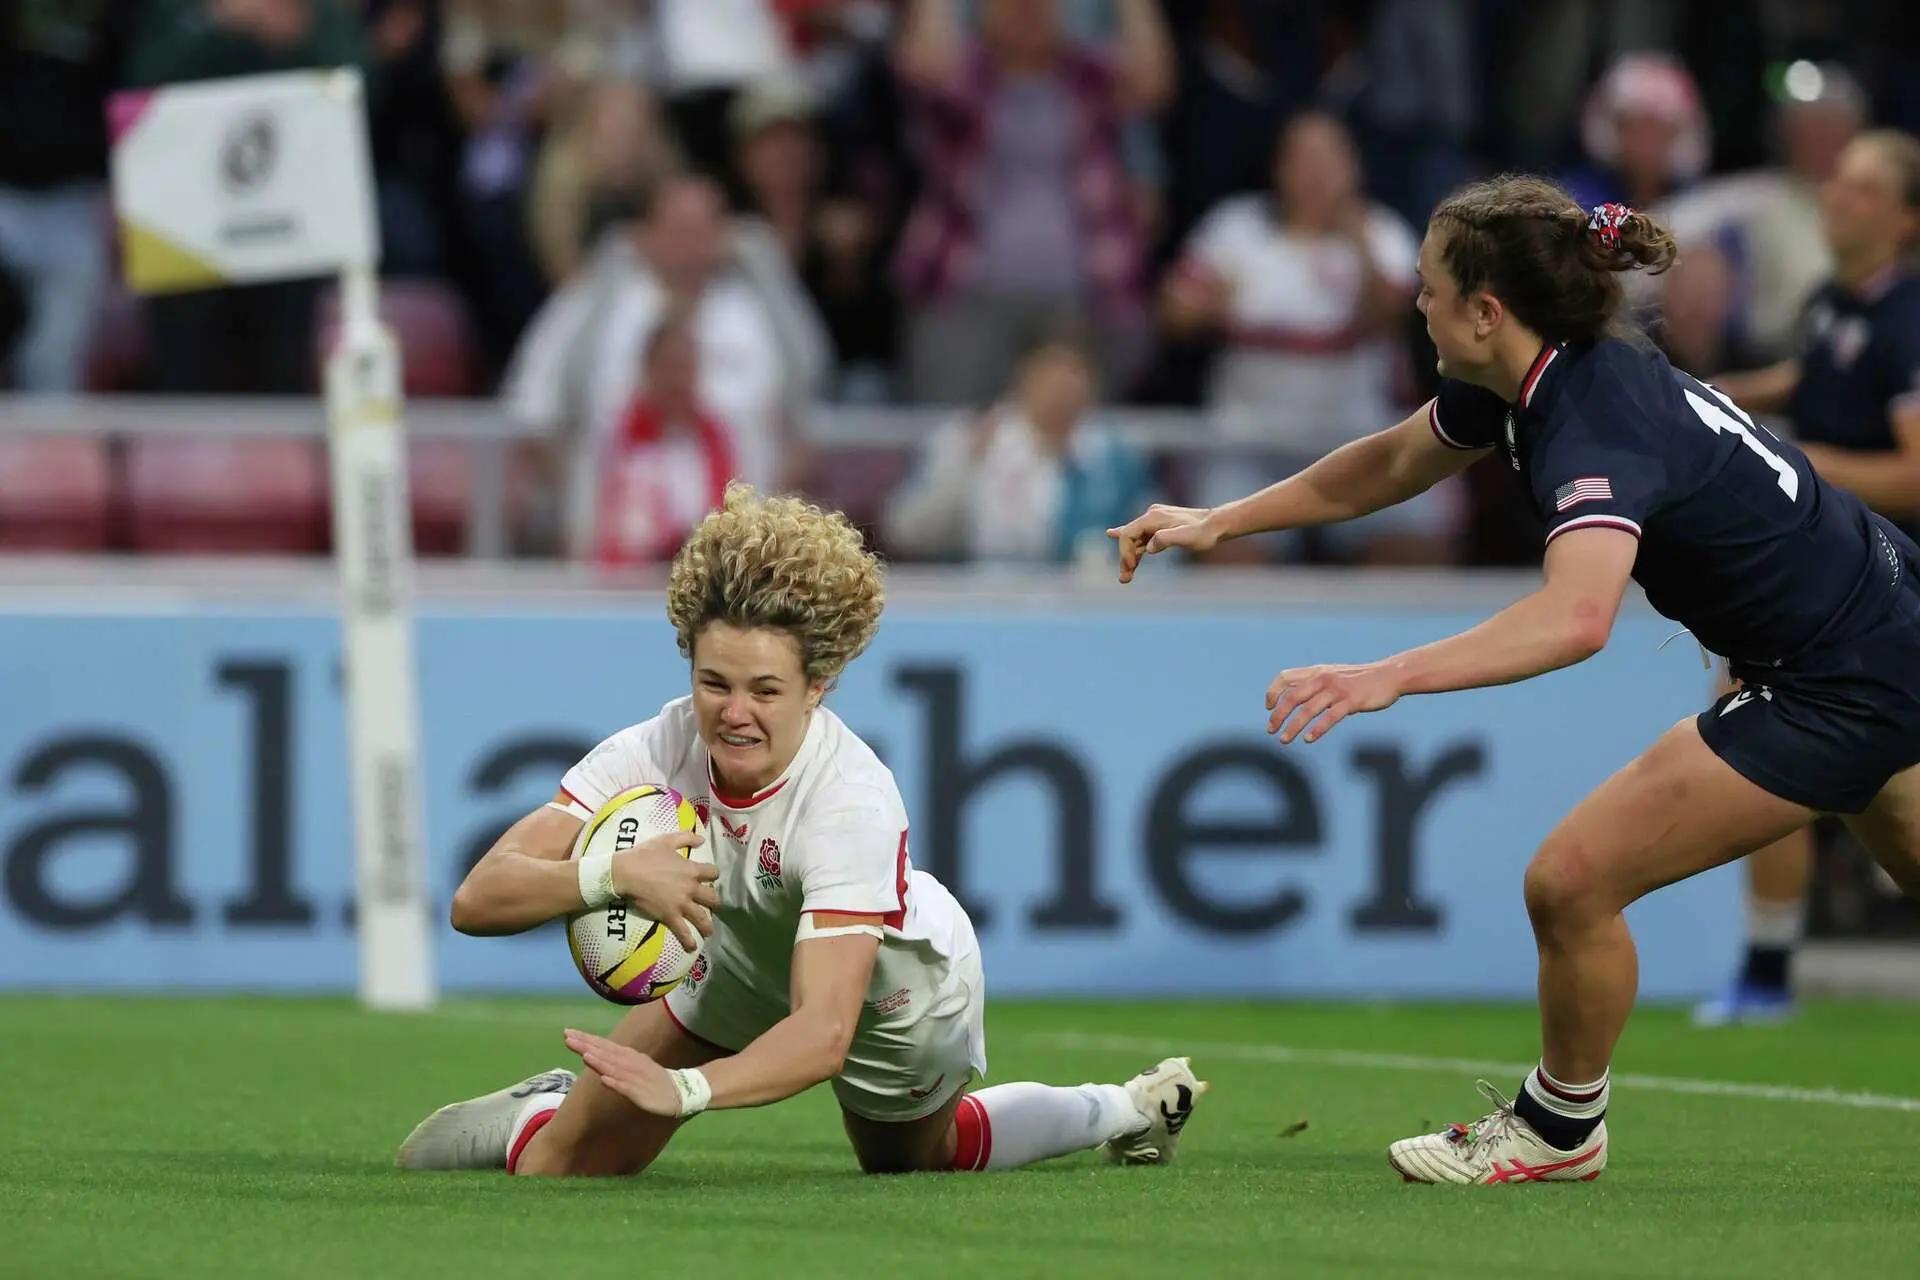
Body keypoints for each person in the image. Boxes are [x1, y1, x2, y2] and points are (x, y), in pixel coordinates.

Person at [1109, 178, 1920, 1185]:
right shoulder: (1529, 374)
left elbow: (1578, 617)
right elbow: (1391, 462)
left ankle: (1558, 1128)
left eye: (1430, 288)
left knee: (1571, 881)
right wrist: (1221, 519)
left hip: (1839, 672)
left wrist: (1388, 675)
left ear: (1486, 311)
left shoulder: (1588, 414)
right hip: (1874, 612)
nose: (1416, 304)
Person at [398, 484, 1207, 1177]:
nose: (733, 713)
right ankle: (547, 1110)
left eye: (764, 690)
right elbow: (477, 899)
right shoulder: (655, 747)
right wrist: (606, 878)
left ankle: (1119, 1109)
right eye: (712, 682)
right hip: (742, 961)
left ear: (819, 684)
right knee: (560, 1166)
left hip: (895, 993)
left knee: (913, 1161)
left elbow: (823, 1030)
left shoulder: (850, 797)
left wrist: (684, 1092)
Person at [1686, 128, 1920, 1027]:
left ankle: (1767, 972)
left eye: (1865, 188)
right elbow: (1810, 376)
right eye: (1840, 183)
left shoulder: (1906, 324)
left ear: (1904, 218)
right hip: (1823, 581)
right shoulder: (1835, 304)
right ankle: (1766, 971)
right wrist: (1715, 396)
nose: (1839, 198)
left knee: (1782, 754)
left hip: (1874, 592)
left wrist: (1806, 462)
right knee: (1799, 766)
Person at [882, 336, 1151, 565]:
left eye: (1074, 375)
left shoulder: (1117, 457)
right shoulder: (972, 438)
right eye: (1050, 376)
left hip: (1086, 602)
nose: (1061, 391)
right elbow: (905, 531)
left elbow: (1155, 543)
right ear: (1024, 378)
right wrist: (963, 466)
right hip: (980, 596)